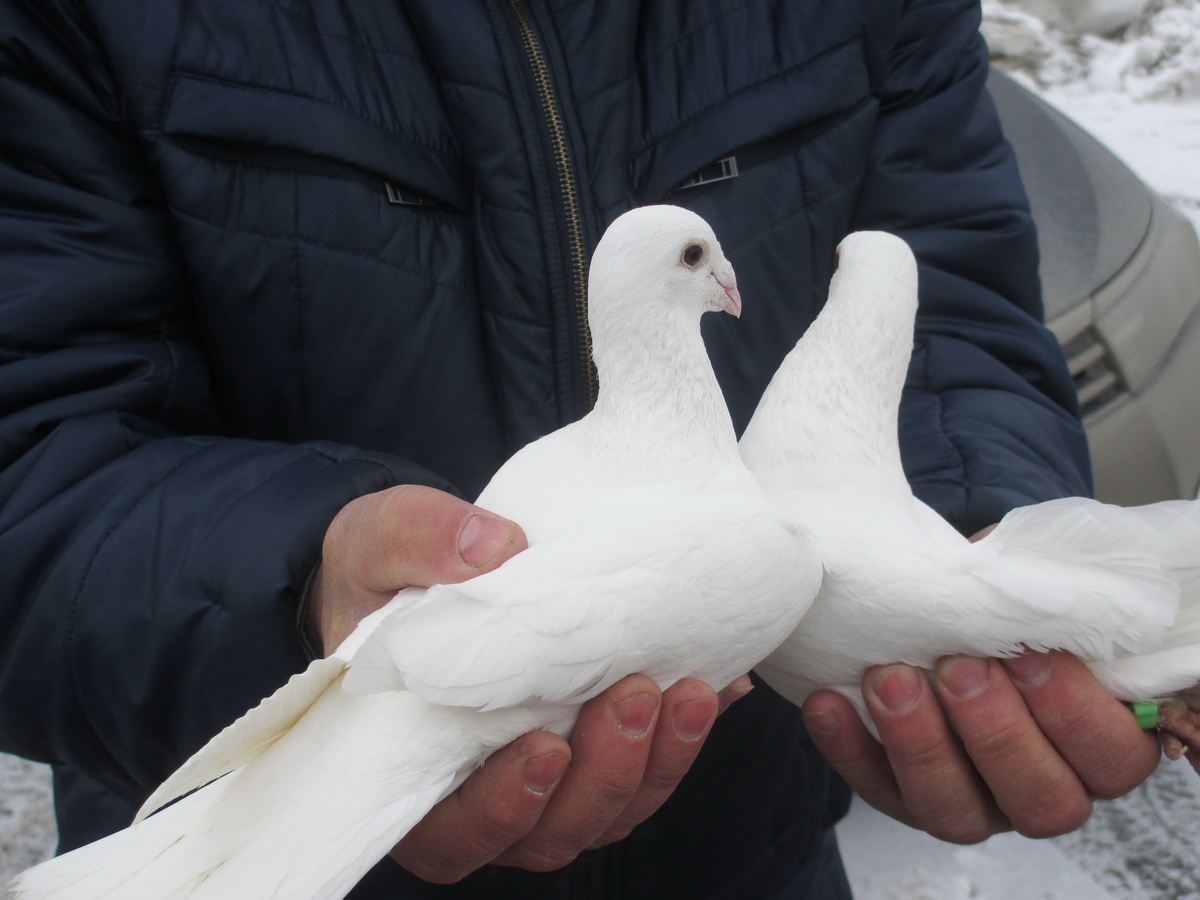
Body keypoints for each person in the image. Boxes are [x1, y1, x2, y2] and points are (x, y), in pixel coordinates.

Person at [0, 1, 1162, 897]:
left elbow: (946, 294)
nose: (726, 284)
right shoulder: (751, 552)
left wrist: (966, 542)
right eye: (700, 264)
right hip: (382, 733)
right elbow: (31, 443)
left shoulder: (601, 477)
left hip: (741, 861)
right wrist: (300, 583)